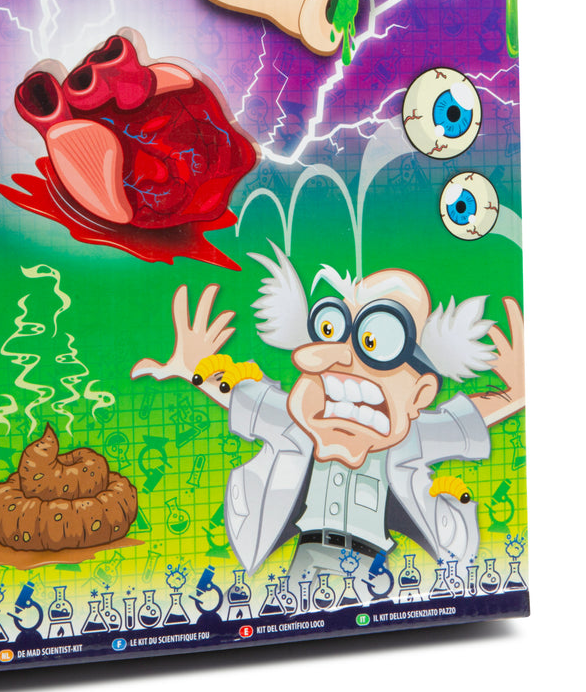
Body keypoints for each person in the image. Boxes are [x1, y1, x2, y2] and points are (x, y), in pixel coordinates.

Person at [131, 244, 525, 600]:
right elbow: (243, 396)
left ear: (420, 393)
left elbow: (463, 422)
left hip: (372, 563)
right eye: (331, 329)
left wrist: (516, 394)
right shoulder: (299, 423)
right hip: (307, 552)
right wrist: (192, 367)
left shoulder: (409, 438)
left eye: (377, 340)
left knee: (370, 618)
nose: (340, 357)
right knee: (290, 612)